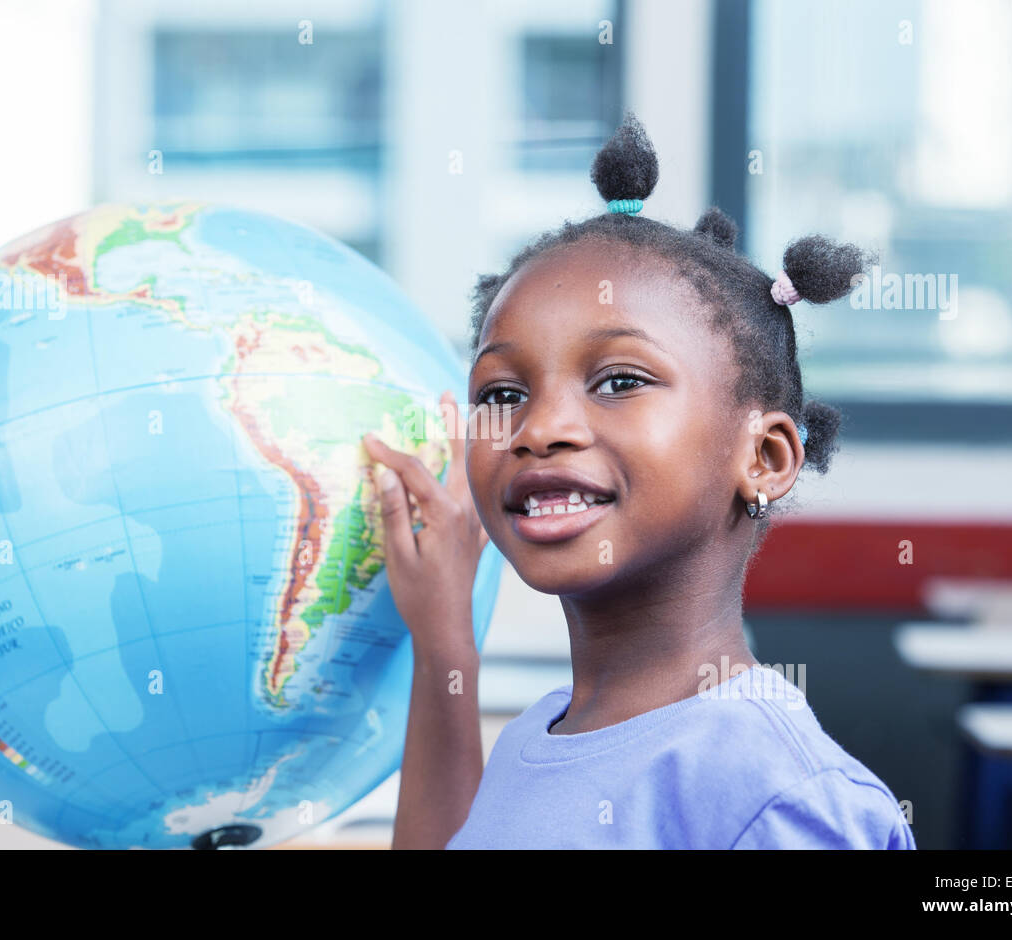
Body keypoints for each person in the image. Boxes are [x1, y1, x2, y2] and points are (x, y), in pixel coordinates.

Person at [361, 112, 915, 850]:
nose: (539, 427)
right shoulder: (543, 731)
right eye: (501, 394)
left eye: (619, 380)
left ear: (766, 459)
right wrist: (445, 646)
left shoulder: (777, 796)